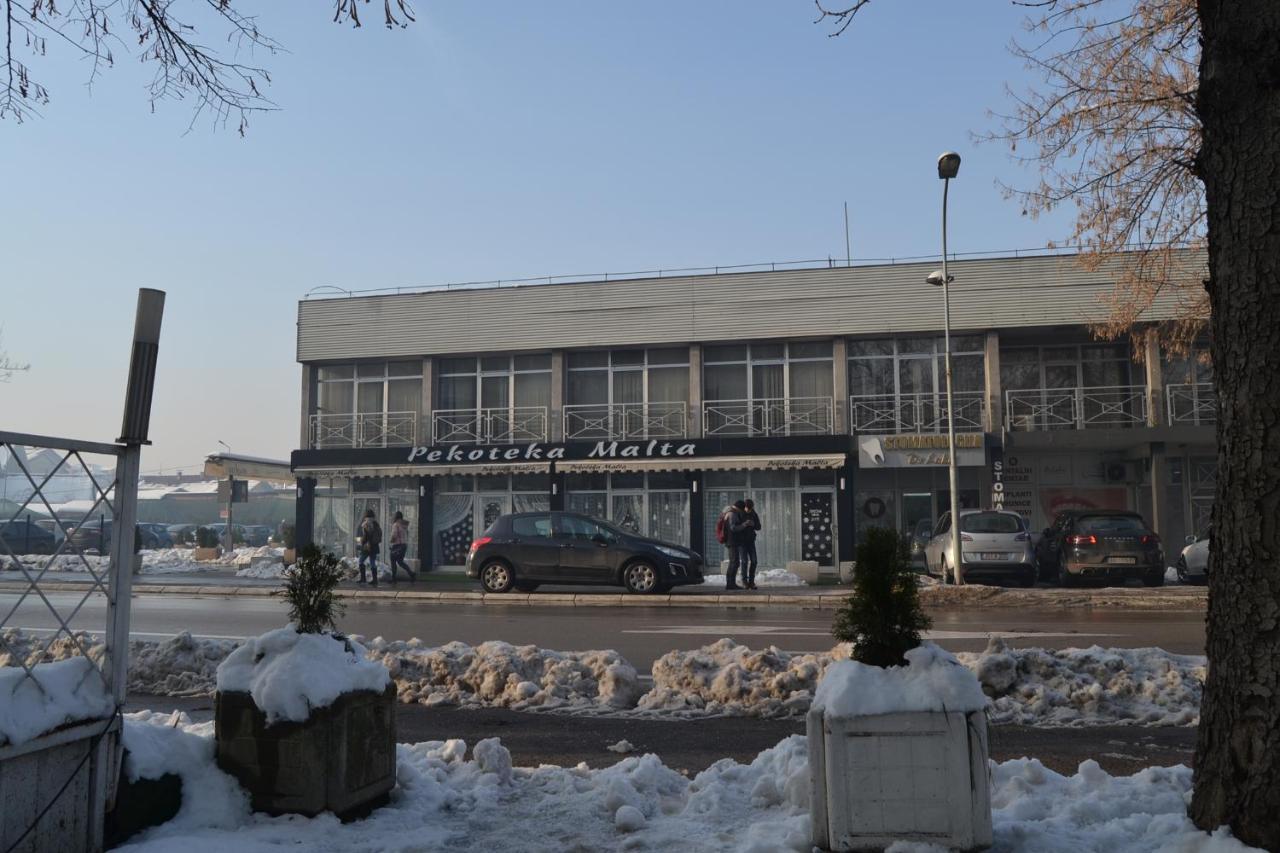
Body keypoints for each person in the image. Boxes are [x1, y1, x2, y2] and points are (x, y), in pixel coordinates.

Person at [388, 511, 416, 583]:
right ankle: (411, 573)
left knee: (393, 560)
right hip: (404, 545)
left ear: (395, 517)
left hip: (397, 545)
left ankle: (394, 578)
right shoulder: (404, 525)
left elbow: (394, 535)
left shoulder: (396, 525)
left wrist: (391, 541)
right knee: (400, 562)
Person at [357, 508, 382, 586]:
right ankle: (375, 580)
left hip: (367, 547)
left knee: (361, 561)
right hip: (374, 546)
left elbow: (365, 536)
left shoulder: (365, 524)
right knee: (372, 563)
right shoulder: (376, 524)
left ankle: (363, 579)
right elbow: (380, 536)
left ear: (365, 516)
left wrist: (361, 541)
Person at [741, 499, 761, 590]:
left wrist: (753, 524)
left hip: (751, 541)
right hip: (742, 541)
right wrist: (744, 524)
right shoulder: (740, 513)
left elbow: (759, 527)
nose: (748, 510)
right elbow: (736, 526)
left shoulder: (754, 514)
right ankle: (744, 582)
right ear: (744, 507)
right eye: (747, 508)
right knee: (744, 562)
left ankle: (751, 582)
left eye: (750, 508)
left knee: (754, 561)